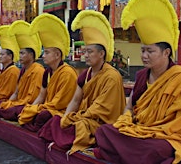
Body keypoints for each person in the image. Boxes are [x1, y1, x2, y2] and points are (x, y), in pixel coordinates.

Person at [93, 0, 181, 164]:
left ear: (166, 52)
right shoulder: (142, 76)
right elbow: (129, 107)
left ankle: (132, 153)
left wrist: (150, 132)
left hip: (170, 137)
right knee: (104, 131)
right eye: (143, 50)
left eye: (150, 51)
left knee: (157, 148)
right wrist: (126, 121)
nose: (144, 56)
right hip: (140, 133)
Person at [38, 10, 126, 155]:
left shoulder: (111, 77)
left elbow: (100, 109)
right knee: (56, 122)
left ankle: (69, 138)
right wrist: (66, 118)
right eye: (85, 51)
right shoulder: (85, 75)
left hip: (99, 122)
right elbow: (75, 100)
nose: (85, 55)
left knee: (82, 128)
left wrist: (77, 118)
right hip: (84, 118)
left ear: (101, 54)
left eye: (89, 52)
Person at [17, 13, 78, 131]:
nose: (43, 56)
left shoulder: (67, 73)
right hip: (48, 107)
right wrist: (32, 108)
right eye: (44, 52)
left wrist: (37, 109)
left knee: (42, 116)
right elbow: (41, 95)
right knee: (26, 112)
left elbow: (59, 103)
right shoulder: (48, 73)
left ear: (57, 55)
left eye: (47, 53)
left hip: (61, 111)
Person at [0, 20, 44, 121]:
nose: (19, 56)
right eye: (20, 53)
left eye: (22, 53)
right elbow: (16, 92)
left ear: (31, 55)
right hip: (18, 103)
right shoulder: (23, 70)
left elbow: (33, 97)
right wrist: (8, 104)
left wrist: (14, 104)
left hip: (26, 105)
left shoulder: (38, 70)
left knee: (12, 110)